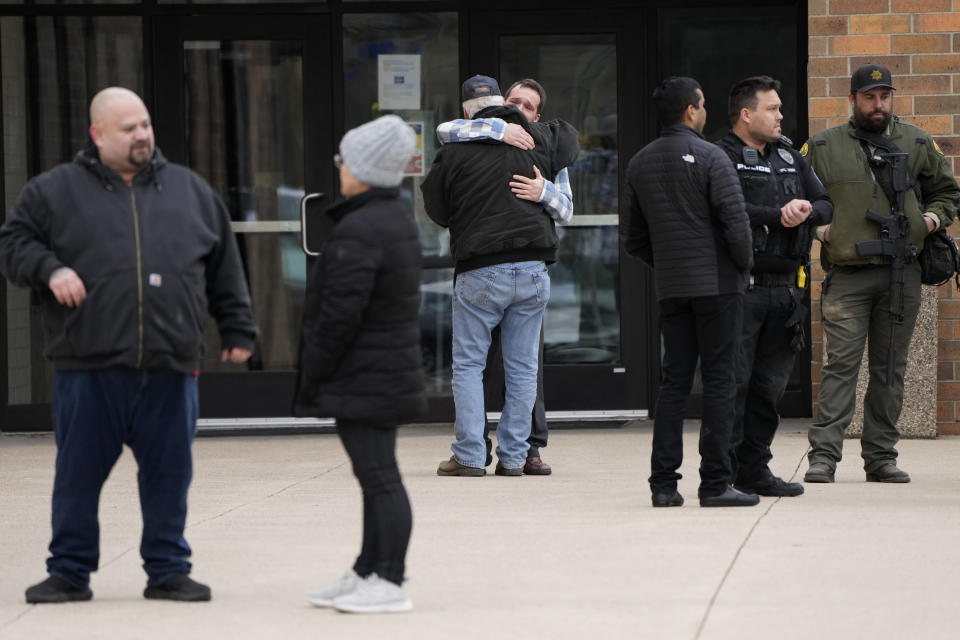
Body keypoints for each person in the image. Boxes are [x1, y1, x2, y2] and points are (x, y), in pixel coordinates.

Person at [0, 87, 257, 603]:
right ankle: (69, 572)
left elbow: (224, 265)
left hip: (169, 366)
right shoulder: (54, 191)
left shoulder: (190, 191)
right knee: (77, 477)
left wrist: (238, 329)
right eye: (128, 128)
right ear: (97, 135)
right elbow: (13, 244)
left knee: (169, 475)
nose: (142, 134)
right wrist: (50, 269)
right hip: (88, 368)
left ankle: (167, 569)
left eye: (145, 124)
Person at [802, 64, 959, 484]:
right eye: (869, 97)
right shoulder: (821, 145)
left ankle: (881, 457)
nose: (878, 105)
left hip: (901, 271)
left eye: (885, 96)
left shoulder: (917, 141)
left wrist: (929, 220)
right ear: (852, 99)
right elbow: (795, 195)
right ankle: (824, 458)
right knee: (841, 367)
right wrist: (820, 229)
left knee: (891, 368)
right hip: (848, 275)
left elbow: (948, 192)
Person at [294, 115, 424, 614]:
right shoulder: (387, 217)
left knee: (380, 477)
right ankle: (368, 568)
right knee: (375, 475)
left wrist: (317, 369)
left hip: (365, 372)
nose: (338, 167)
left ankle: (390, 580)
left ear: (364, 169)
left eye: (343, 160)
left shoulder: (362, 227)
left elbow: (337, 316)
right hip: (375, 371)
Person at [421, 75, 579, 477]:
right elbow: (570, 141)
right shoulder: (543, 141)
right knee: (524, 368)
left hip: (480, 268)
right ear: (504, 104)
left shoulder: (454, 151)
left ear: (466, 111)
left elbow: (437, 210)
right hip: (533, 269)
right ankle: (513, 458)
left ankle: (471, 455)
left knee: (469, 366)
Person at [623, 76, 758, 508]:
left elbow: (634, 238)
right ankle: (716, 483)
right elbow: (737, 227)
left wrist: (667, 264)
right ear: (690, 111)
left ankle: (663, 485)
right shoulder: (712, 157)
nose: (705, 111)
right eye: (702, 105)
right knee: (720, 382)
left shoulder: (639, 163)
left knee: (674, 384)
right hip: (719, 287)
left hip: (673, 288)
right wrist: (743, 266)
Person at [716, 76, 834, 497]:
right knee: (735, 384)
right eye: (772, 108)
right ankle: (723, 474)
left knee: (769, 388)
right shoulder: (721, 156)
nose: (781, 115)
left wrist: (806, 208)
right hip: (741, 289)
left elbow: (825, 203)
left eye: (780, 108)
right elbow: (723, 208)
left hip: (787, 291)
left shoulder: (790, 154)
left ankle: (755, 470)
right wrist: (775, 213)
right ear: (746, 114)